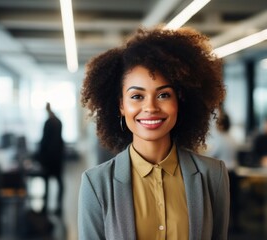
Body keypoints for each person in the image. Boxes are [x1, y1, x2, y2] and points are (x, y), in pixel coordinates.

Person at [78, 27, 229, 240]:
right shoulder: (96, 183)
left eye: (163, 95)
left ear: (179, 101)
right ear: (121, 105)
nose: (150, 107)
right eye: (137, 96)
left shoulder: (212, 174)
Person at [206, 112, 240, 232]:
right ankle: (235, 224)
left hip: (224, 173)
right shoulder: (233, 139)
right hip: (234, 172)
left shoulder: (220, 140)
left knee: (222, 201)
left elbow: (210, 156)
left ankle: (224, 227)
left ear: (220, 126)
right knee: (234, 200)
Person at [38, 102, 64, 216]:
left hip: (49, 158)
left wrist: (39, 156)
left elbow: (44, 141)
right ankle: (59, 206)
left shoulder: (48, 123)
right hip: (58, 157)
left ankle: (45, 206)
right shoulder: (58, 122)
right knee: (59, 182)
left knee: (47, 182)